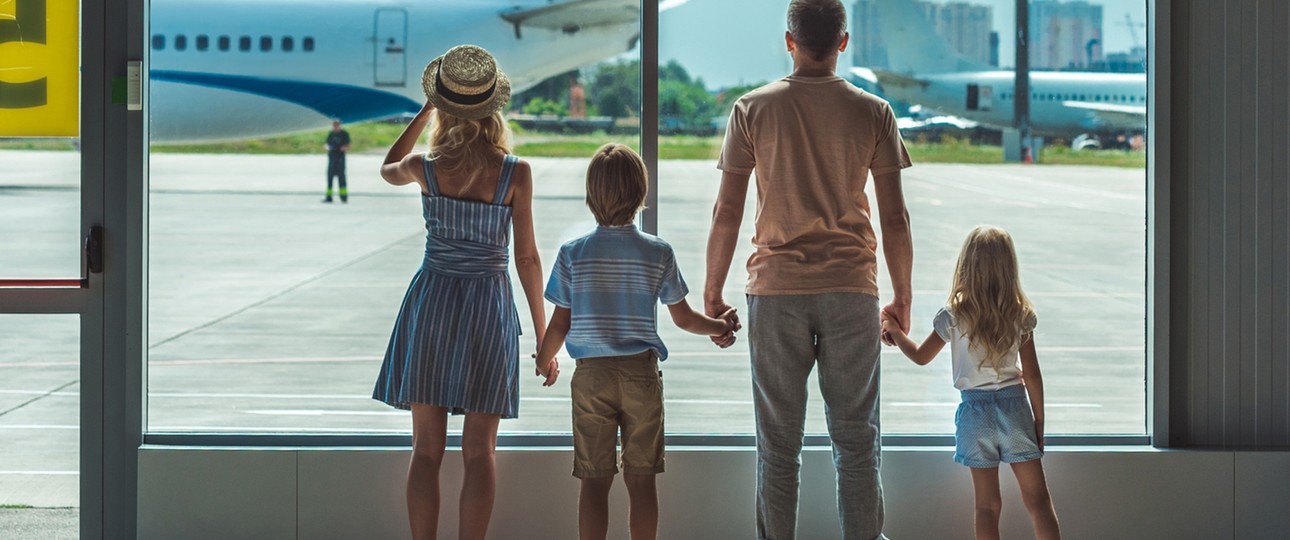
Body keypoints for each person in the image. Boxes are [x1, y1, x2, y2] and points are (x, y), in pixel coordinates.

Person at [702, 1, 914, 538]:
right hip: (851, 289)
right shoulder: (874, 112)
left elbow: (727, 210)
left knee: (777, 446)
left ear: (789, 40)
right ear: (843, 42)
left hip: (774, 291)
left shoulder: (752, 109)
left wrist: (712, 291)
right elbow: (894, 216)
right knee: (857, 445)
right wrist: (902, 296)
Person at [371, 45, 547, 540]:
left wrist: (425, 110)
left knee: (425, 452)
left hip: (432, 304)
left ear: (444, 108)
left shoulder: (425, 167)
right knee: (480, 452)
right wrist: (541, 334)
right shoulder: (516, 172)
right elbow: (527, 258)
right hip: (489, 306)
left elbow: (387, 166)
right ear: (493, 106)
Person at [534, 143, 741, 540]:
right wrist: (718, 326)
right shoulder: (657, 252)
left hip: (591, 377)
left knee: (594, 481)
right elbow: (683, 318)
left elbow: (560, 323)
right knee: (641, 480)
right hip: (640, 376)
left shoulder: (572, 254)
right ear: (640, 195)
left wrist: (545, 361)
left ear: (591, 196)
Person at [880, 226, 1061, 540]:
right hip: (1015, 407)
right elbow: (1032, 374)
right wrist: (1039, 419)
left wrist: (894, 331)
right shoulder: (1019, 315)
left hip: (975, 414)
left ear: (965, 267)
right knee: (1039, 501)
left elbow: (921, 356)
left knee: (987, 507)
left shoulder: (952, 315)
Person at [323, 119, 351, 203]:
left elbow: (348, 146)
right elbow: (326, 144)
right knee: (329, 178)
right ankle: (329, 197)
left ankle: (343, 197)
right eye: (334, 125)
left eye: (337, 125)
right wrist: (328, 147)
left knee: (341, 178)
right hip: (332, 158)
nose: (335, 126)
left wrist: (342, 148)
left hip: (340, 158)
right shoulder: (331, 134)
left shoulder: (344, 134)